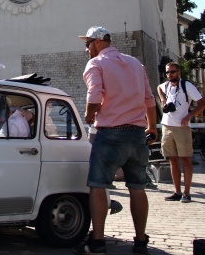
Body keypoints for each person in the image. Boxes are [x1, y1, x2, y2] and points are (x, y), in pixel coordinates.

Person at [76, 26, 157, 255]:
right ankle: (141, 242)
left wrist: (90, 114)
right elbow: (149, 98)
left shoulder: (96, 63)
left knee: (98, 185)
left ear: (99, 42)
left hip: (111, 133)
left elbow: (94, 95)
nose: (86, 49)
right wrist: (152, 126)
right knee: (137, 188)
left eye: (88, 43)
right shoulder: (135, 64)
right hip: (137, 134)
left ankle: (98, 242)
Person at [156, 62, 205, 203]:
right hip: (167, 126)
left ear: (179, 72)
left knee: (185, 159)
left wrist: (189, 116)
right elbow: (158, 88)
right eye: (167, 72)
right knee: (172, 159)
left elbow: (203, 103)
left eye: (172, 72)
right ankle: (177, 191)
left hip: (182, 127)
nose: (170, 74)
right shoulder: (165, 86)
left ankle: (186, 192)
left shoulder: (186, 86)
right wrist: (163, 99)